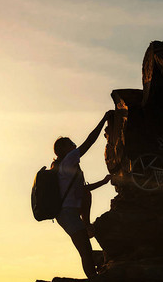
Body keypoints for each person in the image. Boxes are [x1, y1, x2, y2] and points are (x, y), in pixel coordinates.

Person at [51, 111, 113, 279]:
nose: (74, 145)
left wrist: (104, 181)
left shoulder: (65, 167)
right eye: (71, 143)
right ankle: (93, 277)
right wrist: (104, 120)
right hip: (68, 214)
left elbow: (84, 190)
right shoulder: (68, 160)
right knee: (85, 251)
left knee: (86, 250)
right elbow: (89, 142)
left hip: (68, 214)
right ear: (63, 149)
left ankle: (94, 274)